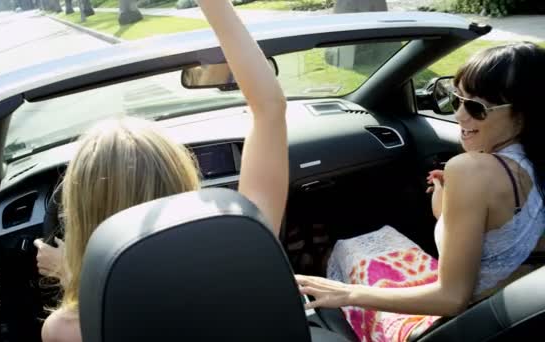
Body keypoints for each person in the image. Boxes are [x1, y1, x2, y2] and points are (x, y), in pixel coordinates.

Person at [38, 1, 289, 341]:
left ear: (82, 214)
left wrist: (73, 274)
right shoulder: (243, 253)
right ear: (182, 178)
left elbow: (123, 298)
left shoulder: (64, 331)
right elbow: (270, 107)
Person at [296, 42, 545, 342]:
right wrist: (447, 193)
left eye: (477, 108)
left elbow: (452, 298)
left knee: (355, 246)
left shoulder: (472, 170)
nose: (460, 117)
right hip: (505, 314)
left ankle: (317, 260)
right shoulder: (530, 162)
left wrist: (347, 293)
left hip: (455, 325)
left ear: (524, 113)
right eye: (456, 100)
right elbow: (482, 233)